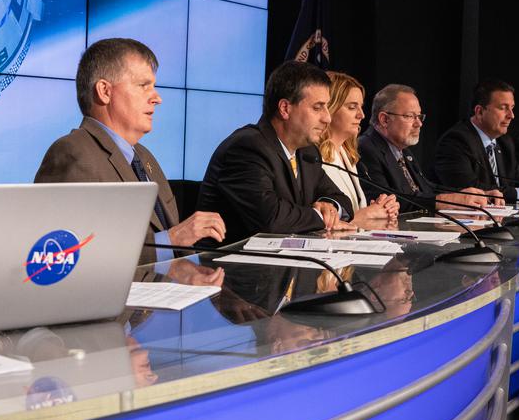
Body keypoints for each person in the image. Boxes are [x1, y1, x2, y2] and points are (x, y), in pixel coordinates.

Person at [35, 38, 225, 264]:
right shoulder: (72, 153)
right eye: (144, 86)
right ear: (105, 91)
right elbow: (69, 257)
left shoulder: (144, 157)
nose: (157, 98)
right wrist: (172, 238)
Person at [197, 60, 354, 245]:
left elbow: (342, 200)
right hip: (227, 269)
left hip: (281, 264)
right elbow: (271, 219)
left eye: (327, 107)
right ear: (285, 108)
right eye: (317, 107)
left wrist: (331, 207)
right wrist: (321, 215)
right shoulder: (247, 148)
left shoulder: (307, 153)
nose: (327, 118)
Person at [356, 83, 489, 212]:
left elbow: (425, 188)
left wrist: (469, 195)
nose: (418, 123)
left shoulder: (402, 150)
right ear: (384, 119)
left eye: (419, 116)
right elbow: (388, 200)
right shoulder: (365, 149)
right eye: (409, 116)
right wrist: (449, 200)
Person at [432, 80, 519, 205]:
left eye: (512, 108)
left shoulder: (505, 141)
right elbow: (469, 189)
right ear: (480, 112)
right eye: (503, 108)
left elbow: (518, 178)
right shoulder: (455, 141)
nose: (511, 115)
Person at [316, 71, 400, 225]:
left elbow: (354, 209)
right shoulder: (312, 156)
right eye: (352, 107)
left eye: (360, 107)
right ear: (330, 108)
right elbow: (326, 216)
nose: (361, 115)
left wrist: (380, 208)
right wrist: (363, 216)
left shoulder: (347, 154)